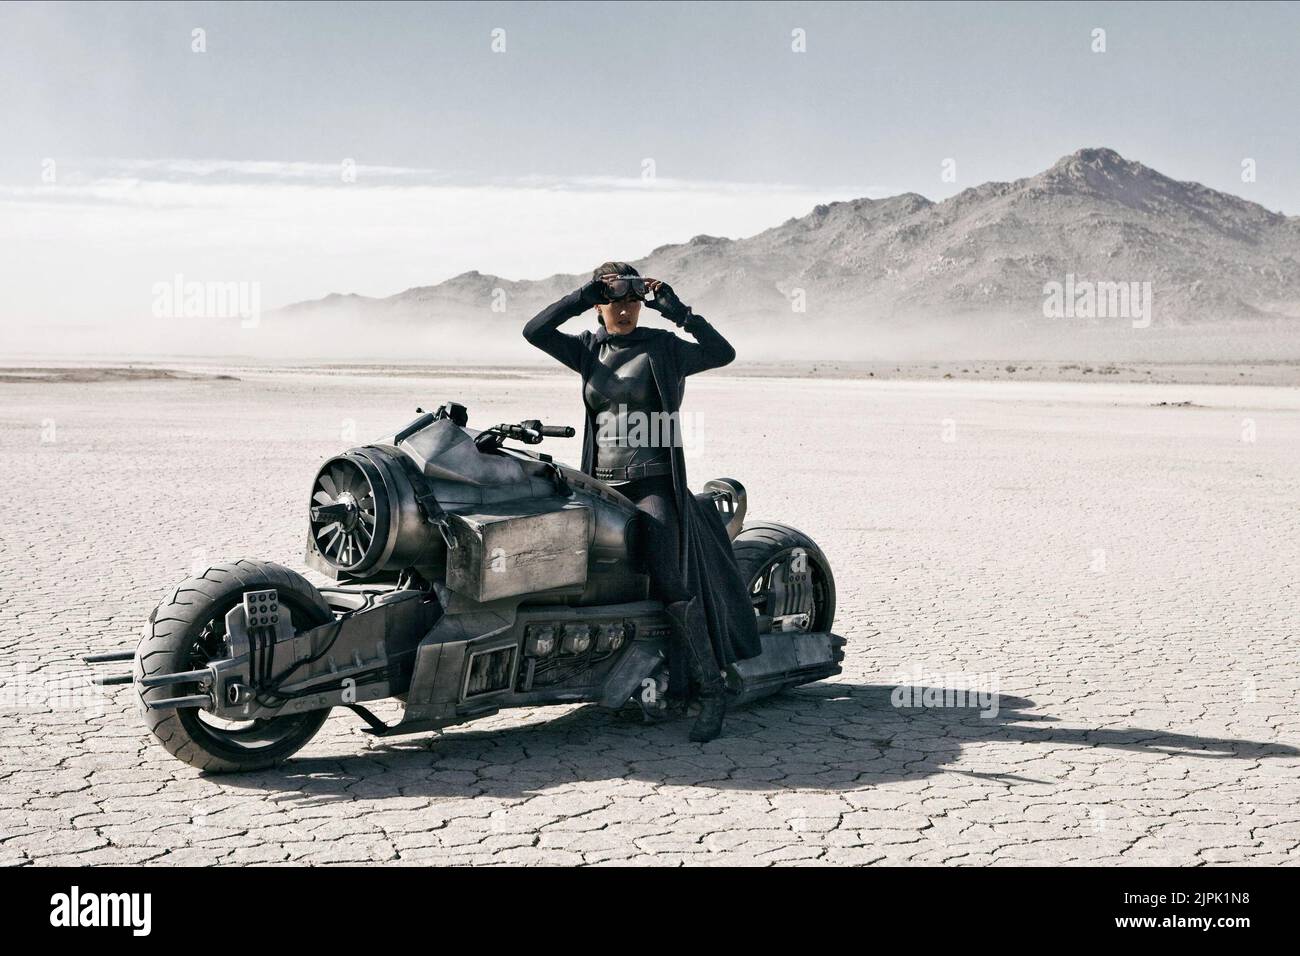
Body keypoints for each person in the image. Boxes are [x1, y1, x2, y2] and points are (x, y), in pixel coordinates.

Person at [522, 261, 762, 741]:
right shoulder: (587, 349)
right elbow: (533, 330)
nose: (625, 309)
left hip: (652, 483)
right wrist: (580, 295)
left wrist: (681, 314)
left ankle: (710, 688)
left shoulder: (664, 348)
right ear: (600, 306)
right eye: (613, 300)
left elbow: (722, 352)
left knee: (670, 579)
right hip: (600, 485)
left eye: (632, 300)